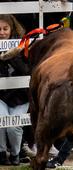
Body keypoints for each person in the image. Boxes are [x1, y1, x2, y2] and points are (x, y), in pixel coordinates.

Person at [0, 14, 30, 166]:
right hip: (1, 97)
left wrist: (12, 56)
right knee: (1, 121)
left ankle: (15, 154)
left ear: (12, 29)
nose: (2, 32)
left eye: (5, 29)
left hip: (20, 96)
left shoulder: (23, 45)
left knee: (13, 126)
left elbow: (27, 71)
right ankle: (1, 153)